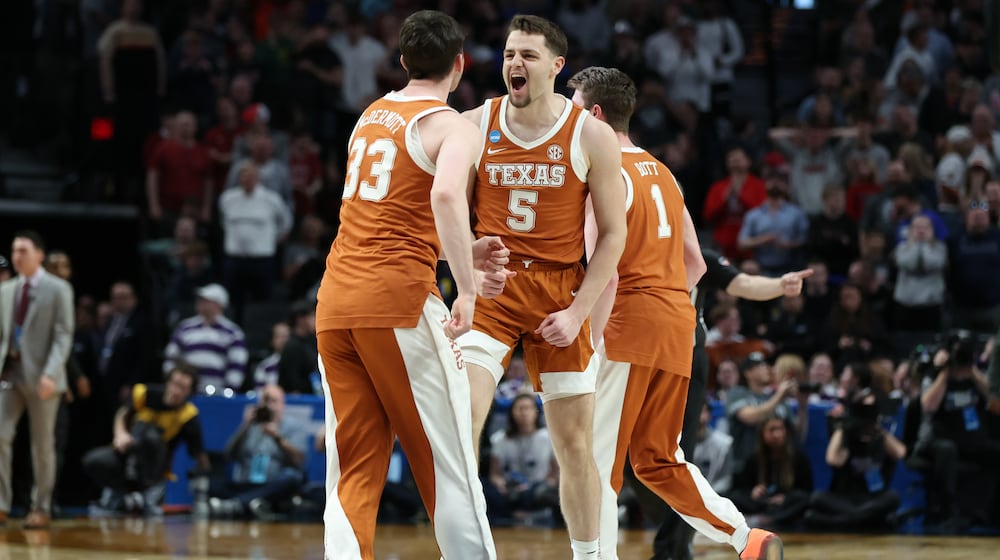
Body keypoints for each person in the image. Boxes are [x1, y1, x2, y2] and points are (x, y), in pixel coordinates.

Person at [569, 66, 782, 560]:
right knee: (658, 459)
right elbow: (697, 262)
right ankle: (746, 538)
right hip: (676, 325)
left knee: (597, 465)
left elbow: (607, 270)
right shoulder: (663, 172)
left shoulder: (601, 173)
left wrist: (595, 341)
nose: (568, 123)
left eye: (574, 111)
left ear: (596, 115)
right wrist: (670, 312)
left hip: (625, 323)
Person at [314, 11, 499, 560]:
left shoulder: (369, 116)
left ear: (401, 62)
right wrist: (466, 286)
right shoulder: (453, 125)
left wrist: (462, 248)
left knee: (353, 463)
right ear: (460, 66)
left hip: (336, 303)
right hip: (397, 302)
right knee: (450, 459)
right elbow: (444, 197)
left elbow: (386, 214)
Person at [457, 16, 627, 560]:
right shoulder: (476, 122)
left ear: (557, 66)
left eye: (528, 55)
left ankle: (590, 556)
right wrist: (466, 267)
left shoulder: (590, 134)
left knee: (574, 447)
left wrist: (579, 313)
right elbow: (444, 209)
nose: (514, 64)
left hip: (560, 291)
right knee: (462, 424)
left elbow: (614, 236)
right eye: (509, 54)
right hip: (495, 289)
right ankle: (463, 549)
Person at [648, 249, 810, 560]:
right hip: (635, 350)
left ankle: (682, 544)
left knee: (667, 457)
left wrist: (779, 285)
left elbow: (743, 282)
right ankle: (705, 529)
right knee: (636, 458)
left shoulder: (692, 252)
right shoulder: (629, 240)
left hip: (682, 352)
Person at [0, 230, 74, 529]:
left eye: (23, 251)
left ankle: (41, 506)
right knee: (0, 436)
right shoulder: (6, 290)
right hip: (11, 374)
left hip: (44, 377)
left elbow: (63, 334)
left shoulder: (58, 289)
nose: (17, 256)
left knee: (42, 445)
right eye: (15, 251)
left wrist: (51, 372)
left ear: (40, 254)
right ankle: (1, 505)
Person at [83, 362, 209, 517]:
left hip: (154, 469)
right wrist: (120, 434)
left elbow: (198, 453)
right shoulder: (146, 394)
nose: (176, 391)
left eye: (182, 388)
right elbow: (123, 413)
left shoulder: (188, 415)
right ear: (168, 382)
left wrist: (203, 487)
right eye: (175, 384)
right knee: (94, 460)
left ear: (190, 392)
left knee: (151, 437)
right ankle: (121, 495)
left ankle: (149, 495)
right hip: (128, 456)